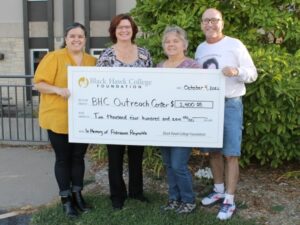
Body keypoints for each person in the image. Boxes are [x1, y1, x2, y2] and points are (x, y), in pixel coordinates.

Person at [195, 8, 258, 220]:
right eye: (206, 20)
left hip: (230, 103)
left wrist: (236, 72)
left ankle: (229, 200)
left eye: (214, 20)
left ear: (222, 22)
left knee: (231, 153)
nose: (210, 24)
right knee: (213, 151)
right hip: (208, 106)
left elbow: (253, 74)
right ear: (201, 24)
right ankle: (219, 190)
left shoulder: (235, 44)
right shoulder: (200, 49)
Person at [34, 22, 96, 218]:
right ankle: (66, 199)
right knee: (63, 159)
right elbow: (38, 84)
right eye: (72, 36)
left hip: (82, 119)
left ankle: (78, 194)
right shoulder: (54, 57)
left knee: (78, 158)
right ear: (66, 39)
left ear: (85, 39)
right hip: (57, 118)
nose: (76, 39)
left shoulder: (91, 61)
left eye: (80, 36)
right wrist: (57, 90)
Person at [96, 14, 152, 210]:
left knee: (136, 157)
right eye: (119, 27)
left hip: (139, 116)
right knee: (115, 158)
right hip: (114, 117)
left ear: (133, 30)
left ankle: (136, 192)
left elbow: (151, 85)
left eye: (127, 27)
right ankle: (117, 196)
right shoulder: (106, 56)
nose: (124, 30)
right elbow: (98, 86)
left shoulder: (144, 54)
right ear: (114, 31)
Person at [157, 25, 200, 214]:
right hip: (163, 123)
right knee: (168, 164)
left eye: (175, 40)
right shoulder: (159, 67)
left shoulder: (193, 66)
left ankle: (189, 200)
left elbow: (200, 95)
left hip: (184, 124)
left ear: (184, 44)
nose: (171, 44)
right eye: (167, 41)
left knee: (178, 165)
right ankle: (174, 199)